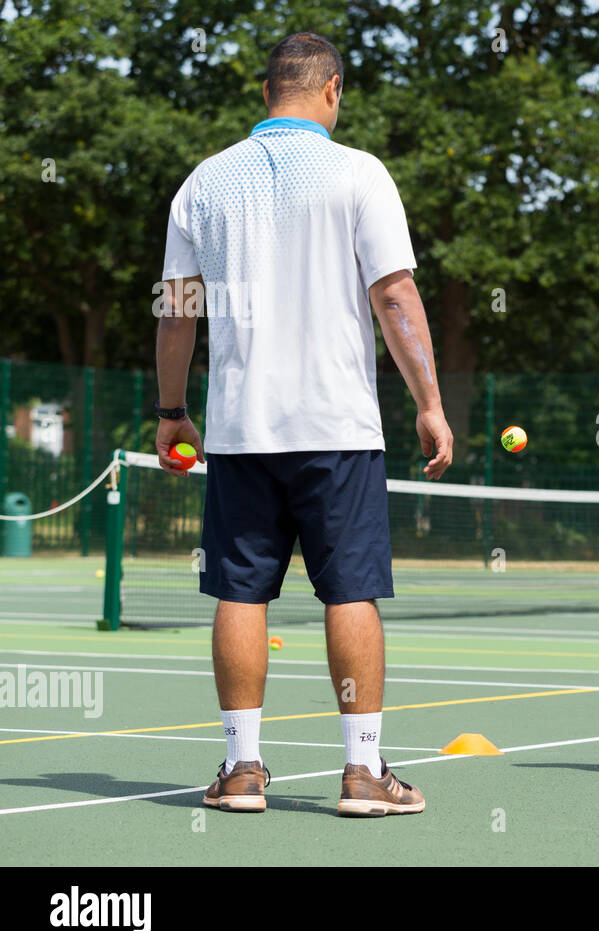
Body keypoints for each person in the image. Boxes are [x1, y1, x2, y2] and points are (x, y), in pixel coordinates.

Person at [154, 32, 454, 817]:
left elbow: (177, 315)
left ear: (265, 94)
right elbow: (395, 298)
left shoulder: (204, 182)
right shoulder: (361, 172)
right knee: (350, 590)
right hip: (339, 426)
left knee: (240, 592)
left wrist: (171, 412)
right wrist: (429, 402)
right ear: (333, 91)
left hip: (240, 430)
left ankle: (243, 769)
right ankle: (362, 775)